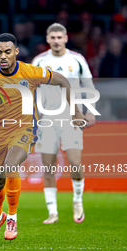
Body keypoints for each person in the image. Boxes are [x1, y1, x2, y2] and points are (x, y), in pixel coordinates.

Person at [0, 33, 86, 242]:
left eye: (7, 52)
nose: (3, 56)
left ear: (16, 52)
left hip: (24, 129)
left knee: (11, 166)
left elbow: (63, 81)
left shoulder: (30, 71)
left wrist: (75, 111)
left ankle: (12, 218)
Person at [31, 23, 96, 224]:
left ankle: (77, 200)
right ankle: (53, 212)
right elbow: (33, 90)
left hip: (71, 118)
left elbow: (89, 86)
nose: (57, 41)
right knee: (48, 167)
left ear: (66, 38)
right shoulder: (40, 61)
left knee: (75, 164)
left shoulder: (77, 60)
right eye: (53, 37)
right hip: (48, 119)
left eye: (60, 37)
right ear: (48, 39)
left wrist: (90, 112)